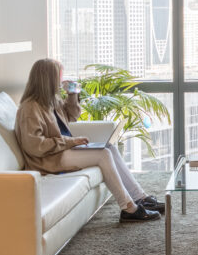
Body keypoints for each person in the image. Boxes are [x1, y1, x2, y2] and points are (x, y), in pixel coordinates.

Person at [14, 58, 164, 222]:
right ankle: (128, 208)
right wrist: (71, 142)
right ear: (47, 79)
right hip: (47, 160)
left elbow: (73, 115)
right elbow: (35, 146)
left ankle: (139, 197)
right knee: (103, 155)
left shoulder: (51, 101)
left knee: (109, 148)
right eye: (58, 77)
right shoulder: (30, 108)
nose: (60, 81)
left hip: (62, 152)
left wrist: (73, 93)